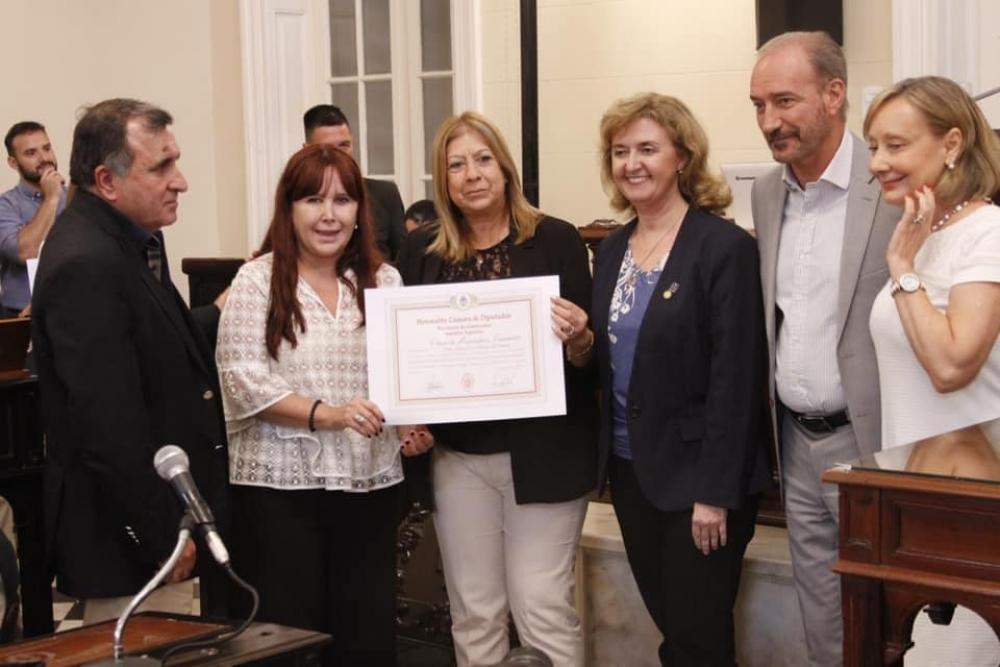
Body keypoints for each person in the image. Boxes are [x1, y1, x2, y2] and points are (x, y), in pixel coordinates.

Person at [557, 92, 770, 665]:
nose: (632, 163)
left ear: (682, 155)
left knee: (698, 639)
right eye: (620, 151)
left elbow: (737, 380)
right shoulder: (616, 246)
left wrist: (715, 494)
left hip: (700, 483)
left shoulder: (723, 247)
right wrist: (580, 346)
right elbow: (610, 360)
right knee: (672, 630)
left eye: (648, 148)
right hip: (632, 473)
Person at [216, 143, 429, 666]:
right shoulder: (256, 280)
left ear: (361, 211)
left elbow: (403, 373)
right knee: (290, 638)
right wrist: (327, 414)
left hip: (369, 482)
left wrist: (412, 420)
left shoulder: (385, 281)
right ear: (289, 210)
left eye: (342, 200)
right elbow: (241, 378)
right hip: (280, 490)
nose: (329, 215)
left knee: (366, 633)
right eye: (313, 200)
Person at [397, 111, 596, 667]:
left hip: (546, 455)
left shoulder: (555, 239)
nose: (472, 174)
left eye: (483, 160)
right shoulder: (422, 253)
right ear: (443, 180)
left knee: (542, 607)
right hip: (457, 458)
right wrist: (404, 416)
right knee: (474, 612)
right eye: (456, 165)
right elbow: (406, 356)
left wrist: (579, 336)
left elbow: (588, 359)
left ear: (505, 168)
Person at [31, 98, 230, 622]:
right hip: (126, 540)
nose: (181, 180)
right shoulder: (86, 262)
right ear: (107, 180)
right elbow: (107, 427)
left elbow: (153, 347)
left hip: (158, 526)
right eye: (161, 166)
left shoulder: (130, 240)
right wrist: (163, 533)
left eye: (176, 161)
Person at [748, 31, 898, 666]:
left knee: (890, 616)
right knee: (820, 613)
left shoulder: (889, 184)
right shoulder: (765, 192)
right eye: (758, 105)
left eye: (785, 101)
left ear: (835, 94)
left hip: (877, 443)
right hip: (795, 447)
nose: (769, 121)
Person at [865, 75, 1000, 667]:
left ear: (951, 144)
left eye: (895, 145)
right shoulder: (925, 231)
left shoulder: (987, 233)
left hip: (971, 510)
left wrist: (901, 267)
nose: (877, 163)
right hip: (916, 495)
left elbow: (950, 367)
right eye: (873, 146)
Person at [303, 104, 406, 262]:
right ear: (307, 150)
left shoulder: (385, 194)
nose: (339, 155)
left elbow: (403, 259)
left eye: (344, 145)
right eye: (328, 148)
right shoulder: (298, 199)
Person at [0, 122, 67, 317]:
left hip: (70, 309)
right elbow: (26, 252)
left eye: (47, 148)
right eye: (31, 153)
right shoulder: (6, 205)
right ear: (13, 162)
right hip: (20, 313)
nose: (44, 158)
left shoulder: (76, 200)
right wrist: (52, 198)